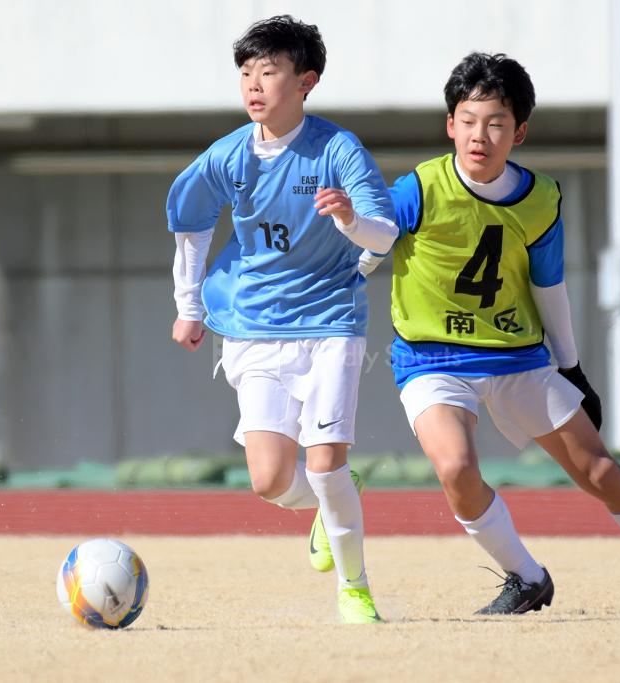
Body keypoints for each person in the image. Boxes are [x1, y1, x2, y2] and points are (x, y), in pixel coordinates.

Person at [360, 52, 620, 614]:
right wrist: (344, 251)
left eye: (497, 122)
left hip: (518, 359)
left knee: (601, 471)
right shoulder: (419, 188)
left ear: (519, 132)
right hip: (432, 360)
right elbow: (374, 241)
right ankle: (526, 576)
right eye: (469, 120)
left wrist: (572, 368)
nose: (481, 135)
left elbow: (550, 288)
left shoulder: (541, 198)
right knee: (456, 468)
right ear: (450, 124)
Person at [166, 15, 397, 623]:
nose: (254, 85)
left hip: (330, 322)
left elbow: (385, 233)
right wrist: (189, 307)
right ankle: (332, 503)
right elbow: (190, 226)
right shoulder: (228, 156)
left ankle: (355, 588)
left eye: (269, 71)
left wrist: (349, 221)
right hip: (253, 325)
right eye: (246, 73)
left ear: (305, 81)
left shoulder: (338, 150)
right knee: (269, 481)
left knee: (325, 461)